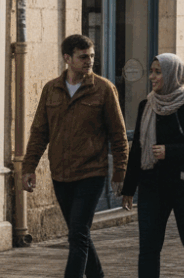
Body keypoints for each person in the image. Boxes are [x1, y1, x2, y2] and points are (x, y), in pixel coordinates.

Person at [23, 34, 129, 278]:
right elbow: (40, 132)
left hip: (91, 172)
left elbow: (118, 134)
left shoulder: (103, 89)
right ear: (67, 58)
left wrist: (120, 171)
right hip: (60, 174)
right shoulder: (51, 89)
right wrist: (29, 167)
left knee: (78, 233)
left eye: (91, 56)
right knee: (77, 232)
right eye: (83, 57)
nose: (89, 61)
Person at [121, 53, 184, 278]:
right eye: (152, 72)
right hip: (152, 187)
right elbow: (137, 149)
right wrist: (128, 189)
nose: (152, 77)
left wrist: (170, 151)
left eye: (158, 72)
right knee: (148, 247)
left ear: (173, 75)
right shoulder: (147, 105)